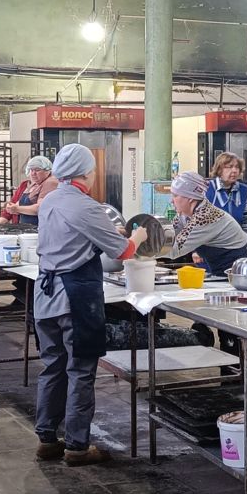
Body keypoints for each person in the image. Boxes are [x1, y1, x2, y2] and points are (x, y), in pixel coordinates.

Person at [34, 143, 148, 466]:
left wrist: (107, 232)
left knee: (53, 367)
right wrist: (137, 236)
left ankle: (46, 440)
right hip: (75, 299)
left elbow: (72, 235)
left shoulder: (50, 200)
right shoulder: (87, 206)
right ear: (86, 172)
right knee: (81, 370)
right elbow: (123, 252)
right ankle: (77, 446)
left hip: (44, 296)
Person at [168, 171, 247, 274]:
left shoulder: (204, 217)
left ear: (190, 198)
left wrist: (150, 250)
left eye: (175, 196)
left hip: (241, 263)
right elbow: (171, 234)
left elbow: (174, 250)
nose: (171, 201)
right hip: (221, 263)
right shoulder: (184, 214)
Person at [204, 152, 247, 257]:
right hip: (210, 249)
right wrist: (196, 250)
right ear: (219, 169)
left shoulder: (243, 190)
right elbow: (197, 223)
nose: (234, 170)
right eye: (229, 167)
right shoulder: (206, 189)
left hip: (236, 247)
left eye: (237, 167)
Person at [0, 156, 58, 225]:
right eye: (31, 170)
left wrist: (17, 209)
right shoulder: (34, 183)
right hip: (26, 227)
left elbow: (41, 208)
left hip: (39, 227)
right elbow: (17, 204)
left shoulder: (50, 182)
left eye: (37, 170)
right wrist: (11, 207)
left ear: (47, 171)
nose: (33, 173)